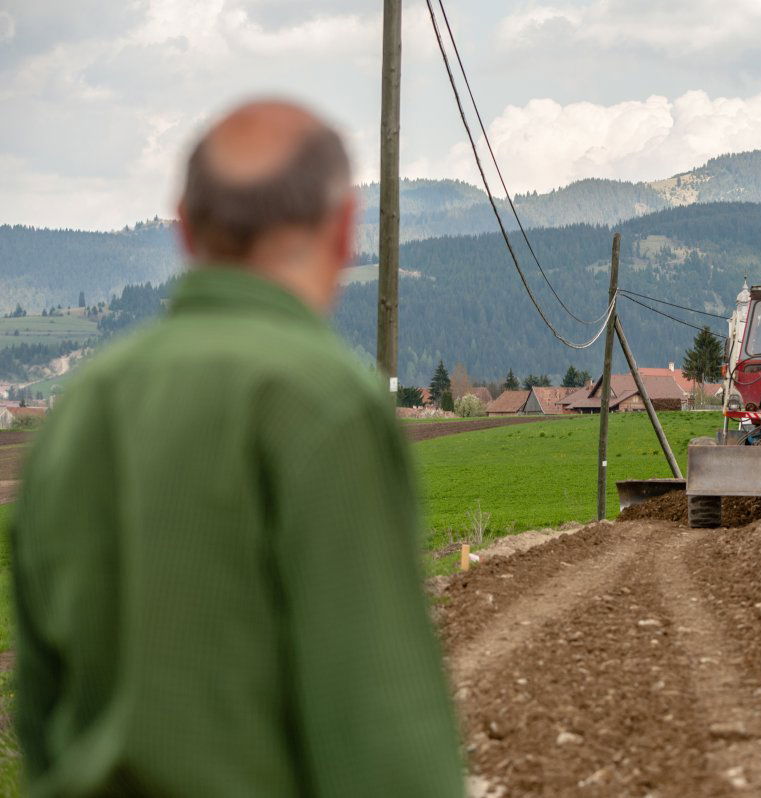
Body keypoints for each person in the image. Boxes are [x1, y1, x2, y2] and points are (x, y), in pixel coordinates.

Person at [11, 100, 464, 796]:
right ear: (344, 226)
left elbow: (41, 714)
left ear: (186, 226)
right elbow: (382, 731)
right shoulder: (323, 399)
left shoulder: (78, 411)